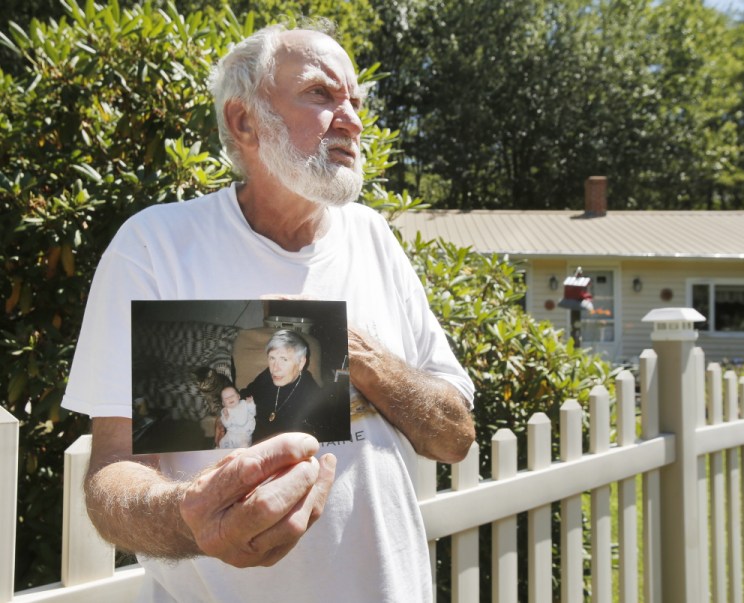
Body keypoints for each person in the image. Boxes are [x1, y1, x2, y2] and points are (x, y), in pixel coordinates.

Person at [62, 20, 475, 603]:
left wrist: (355, 354)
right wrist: (189, 516)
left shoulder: (374, 237)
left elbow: (455, 437)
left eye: (355, 100)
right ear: (244, 120)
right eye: (321, 94)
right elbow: (111, 476)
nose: (353, 119)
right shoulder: (156, 246)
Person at [238, 330, 324, 442]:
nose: (275, 368)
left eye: (284, 359)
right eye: (272, 358)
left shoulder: (312, 397)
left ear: (301, 363)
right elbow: (246, 394)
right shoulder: (268, 375)